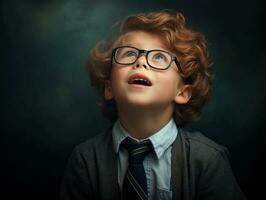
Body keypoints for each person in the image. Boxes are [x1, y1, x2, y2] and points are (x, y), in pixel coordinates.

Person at [60, 10, 246, 200]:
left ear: (182, 92)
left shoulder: (206, 160)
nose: (140, 62)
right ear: (109, 88)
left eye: (159, 57)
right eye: (129, 53)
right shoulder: (85, 159)